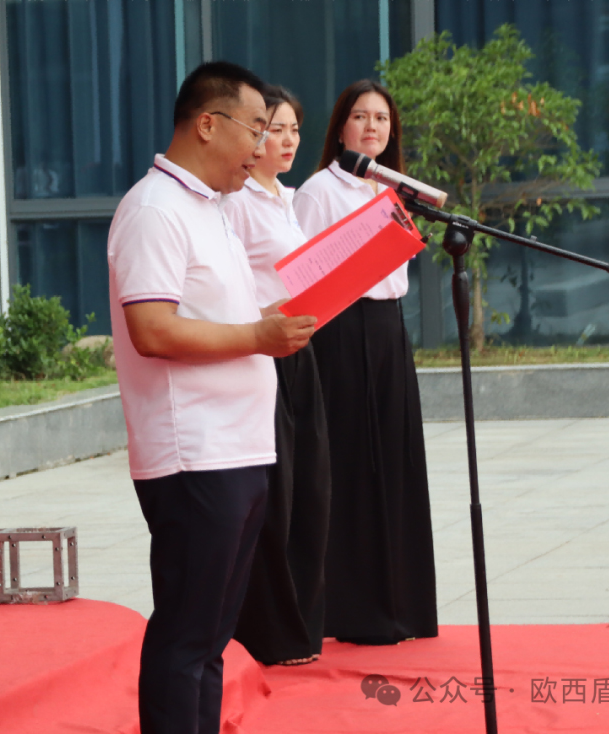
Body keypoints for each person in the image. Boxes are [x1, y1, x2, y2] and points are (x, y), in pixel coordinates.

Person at [107, 62, 316, 734]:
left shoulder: (215, 209)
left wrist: (272, 320)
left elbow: (220, 312)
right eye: (255, 128)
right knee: (188, 631)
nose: (261, 147)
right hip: (194, 452)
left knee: (214, 635)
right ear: (206, 124)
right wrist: (257, 335)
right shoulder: (155, 210)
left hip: (239, 446)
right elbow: (152, 329)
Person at [292, 80, 438, 646]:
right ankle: (354, 610)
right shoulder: (318, 191)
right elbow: (303, 276)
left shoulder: (393, 188)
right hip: (340, 333)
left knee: (396, 461)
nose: (372, 127)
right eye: (360, 116)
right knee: (354, 465)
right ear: (340, 129)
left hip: (388, 330)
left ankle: (405, 605)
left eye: (381, 118)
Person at [223, 86, 331, 667]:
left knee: (311, 488)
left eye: (293, 129)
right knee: (277, 493)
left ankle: (304, 628)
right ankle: (269, 631)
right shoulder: (238, 202)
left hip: (301, 351)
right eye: (273, 130)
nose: (286, 140)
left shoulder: (288, 198)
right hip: (261, 350)